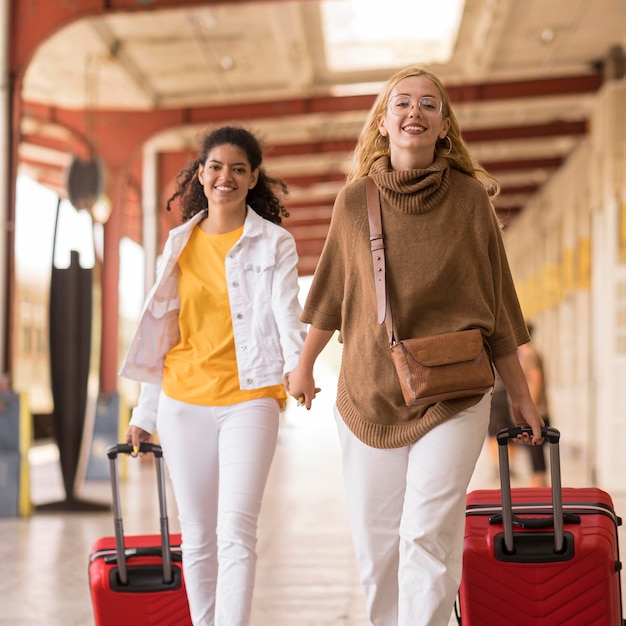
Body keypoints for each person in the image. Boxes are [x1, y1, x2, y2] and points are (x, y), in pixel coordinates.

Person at [287, 66, 544, 626]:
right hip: (370, 394)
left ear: (445, 128)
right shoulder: (354, 204)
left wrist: (521, 394)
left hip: (456, 393)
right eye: (402, 103)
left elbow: (500, 306)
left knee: (427, 533)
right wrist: (303, 365)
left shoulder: (471, 201)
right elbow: (329, 294)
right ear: (383, 122)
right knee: (379, 550)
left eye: (430, 105)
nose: (415, 112)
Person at [119, 126, 307, 626]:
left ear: (253, 179)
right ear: (201, 175)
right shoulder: (179, 243)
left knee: (237, 529)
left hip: (252, 396)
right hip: (183, 400)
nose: (226, 177)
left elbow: (287, 311)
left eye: (238, 169)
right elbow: (160, 331)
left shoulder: (275, 243)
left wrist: (299, 366)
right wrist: (144, 412)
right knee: (197, 535)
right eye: (216, 167)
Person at [516, 321, 550, 487]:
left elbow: (536, 380)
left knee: (536, 445)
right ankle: (537, 478)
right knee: (534, 446)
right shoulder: (527, 354)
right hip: (536, 407)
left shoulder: (530, 355)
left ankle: (539, 479)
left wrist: (531, 407)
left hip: (538, 409)